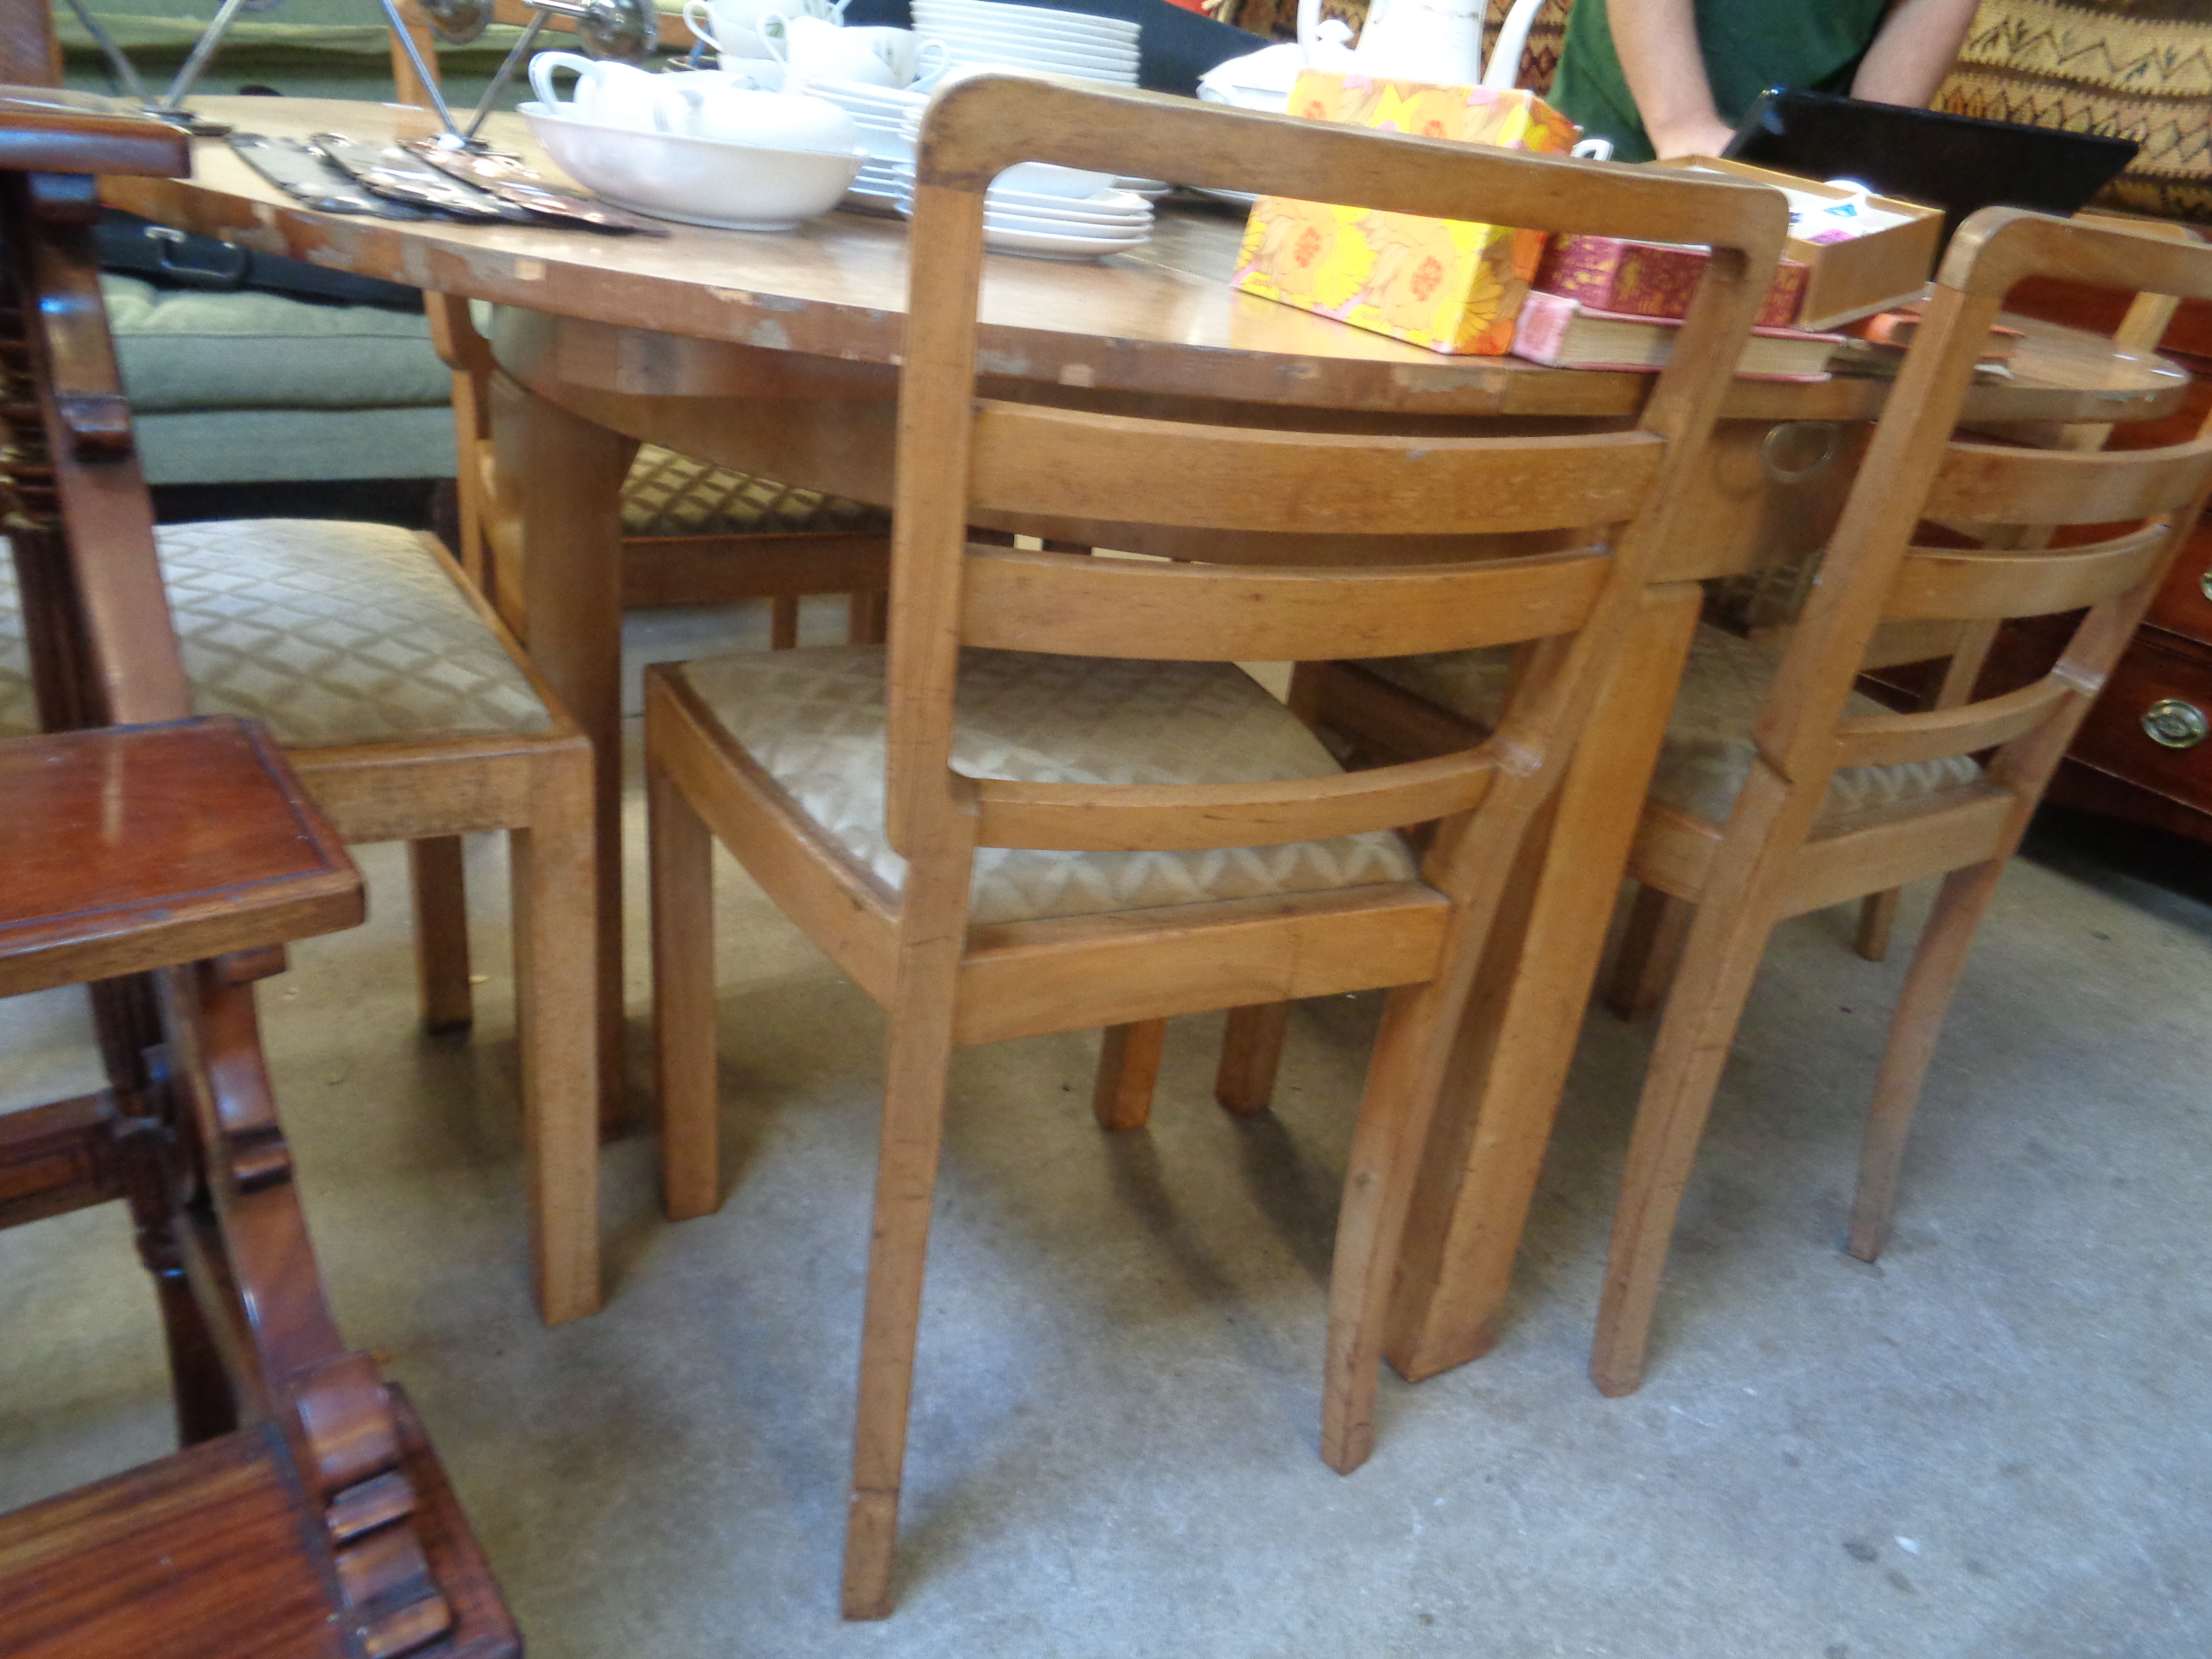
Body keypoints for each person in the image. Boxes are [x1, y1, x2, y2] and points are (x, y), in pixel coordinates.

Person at [1550, 0, 1983, 163]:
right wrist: (1683, 124)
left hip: (1794, 176)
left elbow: (1876, 125)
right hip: (1625, 142)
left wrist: (1865, 161)